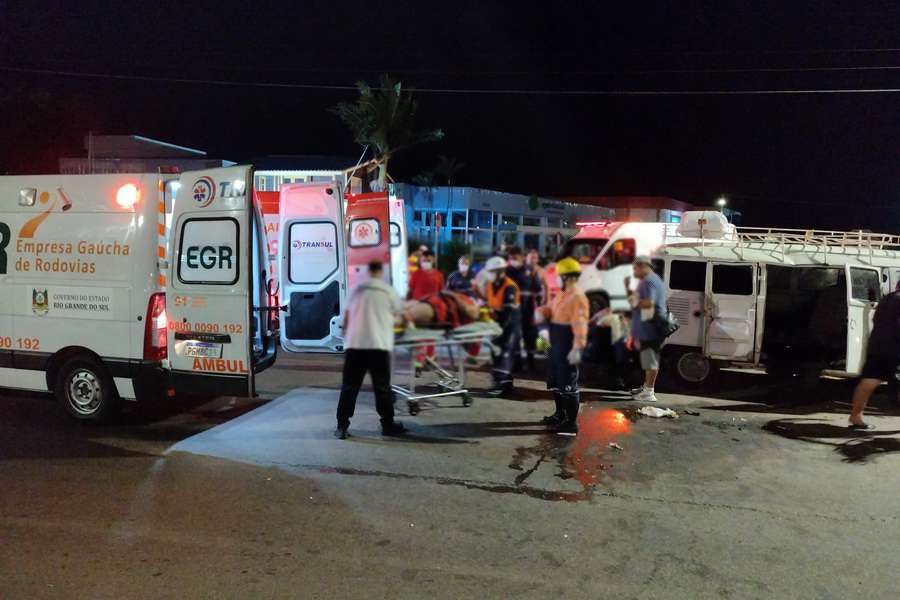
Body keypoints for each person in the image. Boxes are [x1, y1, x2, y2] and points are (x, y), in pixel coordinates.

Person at [335, 261, 407, 439]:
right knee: (382, 387)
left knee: (349, 386)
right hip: (377, 345)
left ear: (368, 272)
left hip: (355, 345)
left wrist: (347, 335)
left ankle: (342, 426)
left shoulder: (355, 290)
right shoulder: (388, 291)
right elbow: (399, 318)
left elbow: (346, 317)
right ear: (380, 273)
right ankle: (387, 425)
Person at [537, 257, 589, 434]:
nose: (557, 279)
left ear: (567, 276)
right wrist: (542, 312)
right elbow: (551, 310)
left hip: (567, 345)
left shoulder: (577, 297)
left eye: (559, 276)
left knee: (567, 384)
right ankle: (560, 414)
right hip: (555, 344)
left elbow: (580, 324)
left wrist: (578, 348)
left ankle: (570, 424)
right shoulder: (562, 294)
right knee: (556, 381)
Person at [849, 287, 900, 429]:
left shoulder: (888, 298)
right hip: (894, 348)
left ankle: (856, 416)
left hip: (877, 346)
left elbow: (876, 319)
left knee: (869, 380)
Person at [629, 255, 667, 403]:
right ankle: (646, 387)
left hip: (651, 328)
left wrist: (633, 301)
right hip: (651, 327)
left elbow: (648, 303)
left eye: (635, 268)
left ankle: (649, 392)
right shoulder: (653, 279)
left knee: (650, 358)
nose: (634, 272)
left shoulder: (649, 281)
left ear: (643, 266)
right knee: (648, 358)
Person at [483, 256, 521, 396]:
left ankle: (503, 385)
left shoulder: (509, 286)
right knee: (496, 353)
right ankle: (503, 383)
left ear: (500, 271)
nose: (489, 274)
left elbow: (508, 312)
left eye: (492, 272)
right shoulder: (490, 284)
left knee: (504, 353)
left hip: (509, 325)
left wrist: (499, 327)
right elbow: (490, 303)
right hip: (496, 323)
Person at [506, 247, 544, 372]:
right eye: (511, 257)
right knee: (514, 335)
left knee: (530, 334)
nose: (513, 260)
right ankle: (517, 363)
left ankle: (531, 361)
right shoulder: (507, 271)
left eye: (515, 257)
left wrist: (539, 304)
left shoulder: (530, 270)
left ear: (522, 257)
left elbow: (538, 289)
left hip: (528, 307)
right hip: (513, 309)